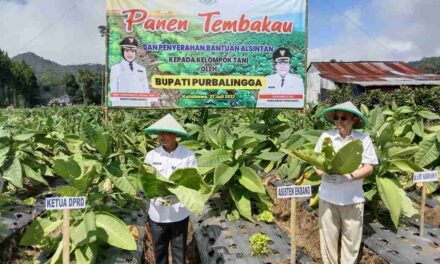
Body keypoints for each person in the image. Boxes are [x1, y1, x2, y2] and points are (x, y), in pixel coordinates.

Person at [313, 101, 378, 264]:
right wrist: (323, 174)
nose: (339, 121)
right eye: (336, 118)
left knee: (351, 239)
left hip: (352, 198)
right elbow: (316, 162)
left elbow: (369, 167)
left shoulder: (363, 139)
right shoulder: (326, 137)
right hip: (328, 197)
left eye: (344, 118)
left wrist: (349, 176)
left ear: (354, 120)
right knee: (328, 238)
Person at [143, 113, 197, 264]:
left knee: (179, 251)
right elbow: (146, 181)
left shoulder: (187, 156)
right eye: (159, 133)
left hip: (179, 212)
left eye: (165, 133)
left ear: (175, 135)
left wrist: (178, 197)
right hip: (157, 214)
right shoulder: (151, 156)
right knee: (159, 250)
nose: (161, 136)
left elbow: (193, 183)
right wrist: (154, 197)